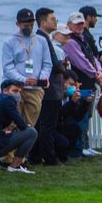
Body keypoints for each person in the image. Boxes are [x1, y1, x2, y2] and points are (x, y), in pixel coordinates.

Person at [2, 8, 51, 128]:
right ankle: (11, 146)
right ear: (17, 24)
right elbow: (8, 67)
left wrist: (42, 79)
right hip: (16, 87)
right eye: (25, 25)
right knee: (11, 123)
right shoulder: (10, 42)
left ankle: (25, 146)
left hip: (35, 88)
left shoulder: (42, 41)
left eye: (31, 25)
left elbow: (47, 64)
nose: (28, 27)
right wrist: (23, 79)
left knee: (29, 125)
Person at [0, 80, 38, 173]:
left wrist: (3, 133)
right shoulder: (7, 100)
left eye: (19, 91)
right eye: (15, 91)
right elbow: (20, 122)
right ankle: (14, 166)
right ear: (5, 91)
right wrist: (25, 126)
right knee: (31, 132)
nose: (18, 94)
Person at [63, 12, 102, 157]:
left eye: (81, 24)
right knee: (80, 117)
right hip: (81, 83)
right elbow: (81, 62)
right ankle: (78, 148)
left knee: (87, 115)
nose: (79, 26)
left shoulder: (83, 39)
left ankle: (85, 145)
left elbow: (92, 57)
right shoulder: (71, 41)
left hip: (90, 82)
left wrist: (99, 71)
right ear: (69, 25)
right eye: (76, 24)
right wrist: (96, 74)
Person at [31, 21, 69, 166]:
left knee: (41, 125)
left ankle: (37, 155)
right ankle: (49, 157)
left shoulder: (42, 38)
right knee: (47, 127)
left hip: (49, 89)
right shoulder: (44, 39)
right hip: (51, 90)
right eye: (53, 19)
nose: (55, 21)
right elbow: (54, 64)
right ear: (43, 21)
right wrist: (61, 67)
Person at [55, 71, 94, 163]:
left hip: (63, 127)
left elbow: (77, 117)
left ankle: (67, 154)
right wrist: (72, 102)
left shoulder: (69, 97)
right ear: (62, 82)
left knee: (75, 129)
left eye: (74, 85)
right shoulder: (55, 96)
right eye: (70, 84)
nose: (72, 87)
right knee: (63, 141)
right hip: (54, 128)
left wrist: (86, 104)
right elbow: (59, 115)